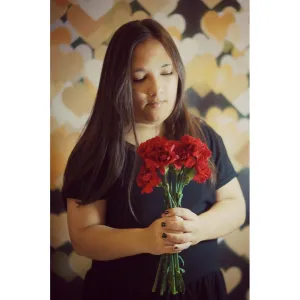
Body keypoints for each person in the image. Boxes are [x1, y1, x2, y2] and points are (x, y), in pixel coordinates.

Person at [62, 19, 246, 300]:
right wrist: (147, 239)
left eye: (166, 73)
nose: (157, 89)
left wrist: (197, 230)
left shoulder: (201, 135)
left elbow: (235, 206)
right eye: (139, 78)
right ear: (118, 82)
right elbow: (83, 237)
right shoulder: (97, 150)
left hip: (202, 290)